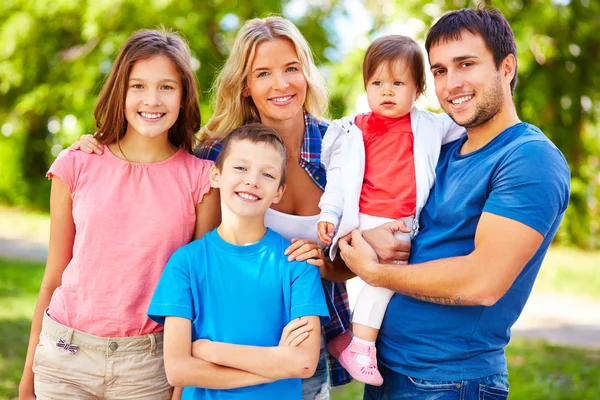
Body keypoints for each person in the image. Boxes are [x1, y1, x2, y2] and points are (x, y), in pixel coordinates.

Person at [72, 16, 412, 398]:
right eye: (263, 73)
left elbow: (344, 260)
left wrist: (347, 251)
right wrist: (100, 146)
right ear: (246, 86)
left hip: (307, 339)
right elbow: (185, 228)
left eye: (291, 69)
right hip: (231, 342)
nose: (281, 84)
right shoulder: (220, 156)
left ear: (306, 74)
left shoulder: (342, 145)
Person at [338, 7, 571, 400]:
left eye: (466, 64)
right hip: (389, 368)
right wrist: (362, 238)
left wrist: (376, 274)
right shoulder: (443, 151)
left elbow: (483, 282)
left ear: (506, 67)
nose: (451, 83)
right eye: (440, 70)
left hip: (450, 382)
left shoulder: (528, 158)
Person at [18, 29, 219, 400]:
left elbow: (198, 293)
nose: (152, 100)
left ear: (184, 96)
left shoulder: (202, 181)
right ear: (120, 92)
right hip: (65, 356)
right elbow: (54, 276)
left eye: (167, 87)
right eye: (138, 86)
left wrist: (180, 384)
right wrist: (28, 376)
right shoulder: (75, 164)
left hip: (149, 367)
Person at [316, 35, 464, 386]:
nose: (387, 91)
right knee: (383, 282)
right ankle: (362, 346)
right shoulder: (353, 131)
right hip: (366, 219)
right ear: (366, 85)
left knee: (393, 285)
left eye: (398, 83)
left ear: (417, 89)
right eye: (377, 83)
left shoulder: (429, 125)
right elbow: (337, 181)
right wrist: (329, 215)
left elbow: (466, 120)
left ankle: (349, 338)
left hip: (405, 222)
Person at [148, 124, 330, 399]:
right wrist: (277, 363)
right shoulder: (185, 262)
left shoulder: (296, 262)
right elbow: (179, 370)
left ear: (279, 192)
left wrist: (211, 351)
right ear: (216, 174)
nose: (252, 181)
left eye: (267, 174)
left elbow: (303, 362)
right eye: (241, 168)